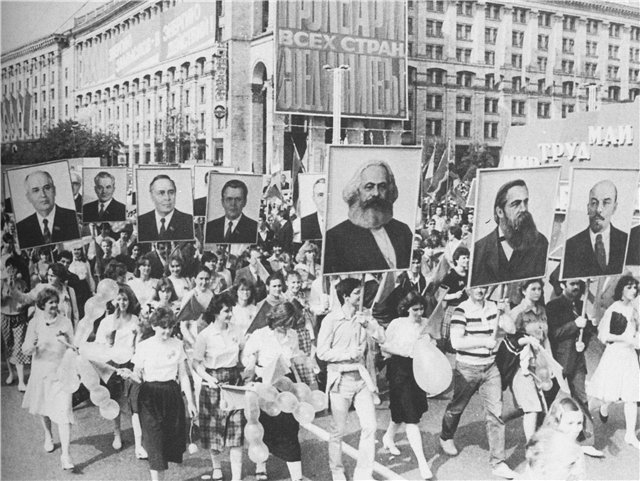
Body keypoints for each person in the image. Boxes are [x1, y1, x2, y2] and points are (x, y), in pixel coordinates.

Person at [439, 286, 518, 479]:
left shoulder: (493, 307)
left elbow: (511, 329)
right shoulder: (461, 310)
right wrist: (483, 342)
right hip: (467, 368)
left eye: (484, 287)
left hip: (490, 368)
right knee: (457, 407)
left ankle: (498, 462)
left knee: (496, 414)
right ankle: (446, 436)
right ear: (468, 289)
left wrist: (504, 310)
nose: (480, 290)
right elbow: (456, 342)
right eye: (476, 287)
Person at [317, 278, 385, 481]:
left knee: (370, 426)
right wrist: (348, 353)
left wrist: (369, 326)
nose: (361, 296)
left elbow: (382, 337)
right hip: (340, 380)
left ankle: (363, 473)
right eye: (357, 293)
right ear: (346, 296)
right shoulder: (331, 320)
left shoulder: (365, 315)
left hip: (362, 379)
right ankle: (337, 471)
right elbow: (322, 352)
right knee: (337, 431)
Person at [122, 307, 197, 480]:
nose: (167, 331)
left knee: (169, 440)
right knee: (154, 441)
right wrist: (129, 375)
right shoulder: (144, 347)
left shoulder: (177, 344)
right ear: (154, 326)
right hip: (149, 396)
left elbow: (183, 375)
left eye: (170, 327)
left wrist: (191, 402)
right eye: (163, 327)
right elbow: (137, 375)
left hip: (171, 393)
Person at [242, 302, 305, 481]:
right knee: (264, 428)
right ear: (276, 319)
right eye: (284, 324)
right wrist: (252, 364)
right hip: (265, 386)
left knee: (291, 429)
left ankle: (296, 476)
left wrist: (300, 384)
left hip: (285, 385)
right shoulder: (260, 335)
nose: (287, 328)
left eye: (290, 324)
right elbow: (247, 356)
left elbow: (293, 360)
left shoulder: (292, 335)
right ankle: (261, 466)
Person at [546, 279, 603, 458]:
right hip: (558, 361)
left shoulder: (581, 304)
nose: (577, 287)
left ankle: (585, 440)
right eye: (572, 284)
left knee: (581, 399)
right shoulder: (553, 306)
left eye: (579, 284)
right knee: (546, 399)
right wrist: (574, 326)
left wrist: (583, 343)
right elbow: (553, 334)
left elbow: (587, 332)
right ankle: (540, 436)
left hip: (577, 361)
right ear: (563, 285)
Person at [380, 291, 434, 480]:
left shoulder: (427, 322)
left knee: (403, 413)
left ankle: (388, 436)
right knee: (411, 418)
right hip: (399, 371)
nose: (419, 313)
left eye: (421, 309)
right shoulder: (397, 324)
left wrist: (428, 345)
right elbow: (384, 346)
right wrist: (405, 351)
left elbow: (433, 344)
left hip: (418, 371)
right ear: (406, 308)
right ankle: (422, 464)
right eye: (415, 309)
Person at [324, 161, 413, 274]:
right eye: (369, 187)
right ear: (357, 191)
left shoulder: (403, 231)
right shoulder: (335, 237)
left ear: (389, 191)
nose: (376, 193)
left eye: (382, 187)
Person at [21, 288, 76, 470]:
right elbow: (26, 348)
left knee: (64, 413)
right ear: (42, 305)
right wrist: (33, 345)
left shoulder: (65, 322)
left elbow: (73, 347)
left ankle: (66, 456)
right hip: (42, 372)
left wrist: (67, 341)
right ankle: (48, 435)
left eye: (55, 301)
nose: (54, 305)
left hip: (61, 373)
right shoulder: (35, 323)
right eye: (50, 302)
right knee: (44, 408)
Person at [192, 293, 244, 481]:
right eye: (226, 311)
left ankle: (236, 477)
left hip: (234, 382)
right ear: (216, 312)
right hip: (213, 383)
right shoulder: (204, 335)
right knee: (215, 429)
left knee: (236, 430)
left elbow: (243, 353)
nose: (230, 314)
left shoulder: (237, 330)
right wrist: (208, 378)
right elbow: (196, 363)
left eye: (231, 310)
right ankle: (216, 467)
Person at [586, 275, 640, 449]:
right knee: (608, 392)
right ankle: (596, 411)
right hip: (615, 354)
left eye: (635, 288)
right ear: (621, 290)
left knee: (631, 395)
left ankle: (630, 434)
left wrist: (635, 340)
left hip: (630, 356)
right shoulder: (614, 308)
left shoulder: (635, 310)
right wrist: (624, 338)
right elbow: (603, 335)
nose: (633, 291)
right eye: (629, 287)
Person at [498, 279, 550, 442]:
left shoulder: (541, 310)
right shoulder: (517, 312)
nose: (537, 292)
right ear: (523, 291)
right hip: (521, 365)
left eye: (539, 289)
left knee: (530, 405)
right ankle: (531, 446)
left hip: (539, 364)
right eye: (533, 289)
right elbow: (509, 338)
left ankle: (498, 420)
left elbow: (545, 338)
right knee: (532, 407)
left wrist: (550, 361)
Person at [471, 179, 549, 286]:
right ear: (500, 212)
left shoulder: (540, 243)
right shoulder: (479, 249)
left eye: (525, 202)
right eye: (516, 204)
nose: (523, 209)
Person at [93, 288, 140, 452]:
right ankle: (117, 433)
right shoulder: (106, 322)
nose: (122, 303)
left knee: (134, 400)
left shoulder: (135, 319)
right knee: (115, 400)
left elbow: (138, 344)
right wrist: (109, 340)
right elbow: (99, 346)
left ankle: (139, 438)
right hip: (113, 364)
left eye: (125, 299)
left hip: (130, 363)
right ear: (113, 301)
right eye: (119, 299)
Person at [563, 180, 629, 278]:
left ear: (614, 208)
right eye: (594, 203)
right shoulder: (571, 245)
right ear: (588, 208)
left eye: (606, 203)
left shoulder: (627, 241)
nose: (599, 209)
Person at [16, 170, 80, 248]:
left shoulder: (73, 218)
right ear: (29, 197)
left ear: (54, 190)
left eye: (47, 188)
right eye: (36, 190)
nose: (43, 195)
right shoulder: (21, 228)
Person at [1, 257, 30, 391]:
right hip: (5, 317)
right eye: (9, 268)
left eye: (14, 268)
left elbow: (26, 299)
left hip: (19, 318)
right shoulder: (1, 283)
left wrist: (23, 305)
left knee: (19, 347)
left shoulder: (22, 283)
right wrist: (5, 295)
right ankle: (11, 373)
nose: (12, 271)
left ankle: (21, 382)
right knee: (8, 346)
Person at [137, 174, 194, 242]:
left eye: (171, 192)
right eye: (161, 193)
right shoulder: (141, 221)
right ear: (152, 196)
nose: (167, 198)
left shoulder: (188, 221)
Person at [205, 179, 258, 244]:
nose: (233, 204)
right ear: (222, 202)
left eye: (238, 199)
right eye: (229, 199)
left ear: (245, 202)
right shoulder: (210, 227)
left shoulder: (254, 228)